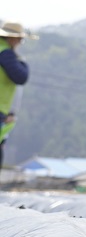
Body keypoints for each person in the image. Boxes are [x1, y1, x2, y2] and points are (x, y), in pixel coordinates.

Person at [0, 21, 36, 169]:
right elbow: (21, 76)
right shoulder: (6, 53)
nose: (20, 43)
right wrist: (22, 62)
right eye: (20, 39)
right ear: (12, 39)